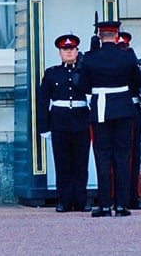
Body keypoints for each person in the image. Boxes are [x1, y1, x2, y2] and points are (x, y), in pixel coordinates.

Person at [79, 19, 141, 218]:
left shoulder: (90, 57)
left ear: (99, 36)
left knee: (103, 157)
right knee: (123, 157)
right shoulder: (128, 56)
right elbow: (137, 81)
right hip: (123, 108)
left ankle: (105, 205)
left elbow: (83, 85)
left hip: (101, 109)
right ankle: (122, 205)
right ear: (116, 36)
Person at [37, 33, 91, 213]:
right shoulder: (52, 73)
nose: (68, 52)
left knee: (81, 163)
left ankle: (81, 200)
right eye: (65, 49)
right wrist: (44, 126)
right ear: (60, 52)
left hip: (81, 119)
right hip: (59, 121)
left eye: (72, 49)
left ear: (77, 51)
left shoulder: (84, 71)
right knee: (62, 163)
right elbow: (43, 101)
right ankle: (64, 200)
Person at [117, 30, 141, 210]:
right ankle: (117, 194)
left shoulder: (134, 65)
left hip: (133, 113)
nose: (124, 50)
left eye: (125, 47)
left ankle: (132, 195)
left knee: (133, 158)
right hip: (118, 111)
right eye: (120, 47)